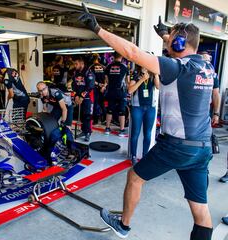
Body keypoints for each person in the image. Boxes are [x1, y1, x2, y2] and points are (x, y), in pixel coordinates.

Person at [79, 4, 215, 239]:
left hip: (176, 146)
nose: (166, 43)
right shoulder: (206, 66)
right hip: (202, 147)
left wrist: (98, 29)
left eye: (169, 40)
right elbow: (178, 46)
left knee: (135, 177)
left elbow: (132, 53)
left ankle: (123, 225)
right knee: (200, 209)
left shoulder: (176, 67)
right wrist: (165, 33)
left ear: (178, 43)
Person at [128, 65, 159, 165]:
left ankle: (145, 155)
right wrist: (142, 80)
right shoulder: (136, 74)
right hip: (137, 107)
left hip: (150, 108)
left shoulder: (153, 75)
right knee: (135, 133)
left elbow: (158, 87)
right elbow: (130, 90)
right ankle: (133, 156)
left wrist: (156, 74)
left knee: (148, 133)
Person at [104, 51, 130, 136]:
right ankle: (121, 130)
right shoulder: (125, 67)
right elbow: (128, 82)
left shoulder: (108, 67)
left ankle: (107, 129)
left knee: (109, 110)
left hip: (111, 91)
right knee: (121, 111)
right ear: (121, 56)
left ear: (113, 57)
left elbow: (107, 81)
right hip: (121, 91)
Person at [72, 57, 95, 142]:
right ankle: (83, 130)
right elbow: (73, 85)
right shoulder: (76, 73)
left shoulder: (89, 73)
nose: (75, 65)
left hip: (88, 98)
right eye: (74, 64)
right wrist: (76, 96)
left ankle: (88, 132)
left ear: (82, 64)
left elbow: (90, 86)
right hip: (79, 97)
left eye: (76, 64)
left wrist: (82, 96)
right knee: (81, 115)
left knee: (87, 115)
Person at [89, 53, 107, 125]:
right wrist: (104, 86)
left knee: (95, 103)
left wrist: (99, 85)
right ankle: (104, 119)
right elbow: (107, 79)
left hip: (95, 88)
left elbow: (91, 79)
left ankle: (95, 120)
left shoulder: (91, 68)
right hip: (103, 88)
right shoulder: (104, 67)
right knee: (102, 104)